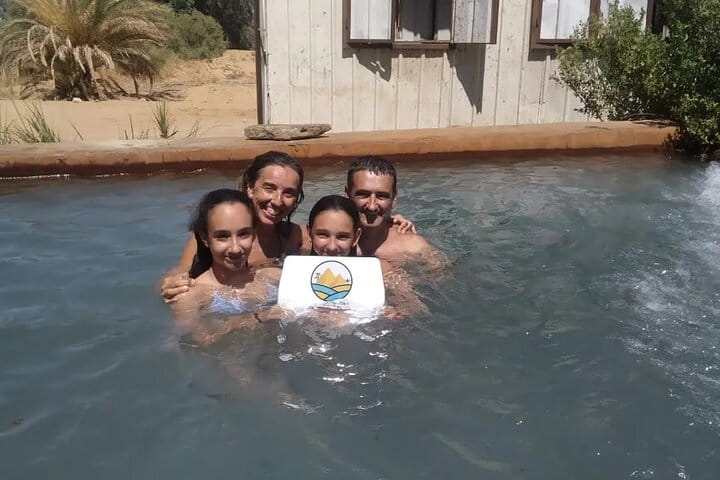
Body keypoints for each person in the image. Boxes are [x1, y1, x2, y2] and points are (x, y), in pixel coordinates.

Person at [161, 152, 417, 302]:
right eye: (269, 188)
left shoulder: (295, 236)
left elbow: (334, 232)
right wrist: (172, 285)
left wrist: (386, 221)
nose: (277, 201)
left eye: (288, 193)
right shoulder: (215, 240)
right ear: (250, 187)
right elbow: (175, 278)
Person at [171, 188, 281, 344]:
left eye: (243, 234)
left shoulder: (274, 277)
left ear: (254, 234)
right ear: (205, 238)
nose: (235, 248)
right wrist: (261, 317)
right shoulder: (191, 297)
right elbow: (199, 344)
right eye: (222, 236)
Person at [344, 156, 443, 267]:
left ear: (394, 199)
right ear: (347, 194)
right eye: (363, 194)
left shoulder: (413, 247)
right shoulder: (331, 239)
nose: (372, 206)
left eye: (382, 196)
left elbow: (441, 272)